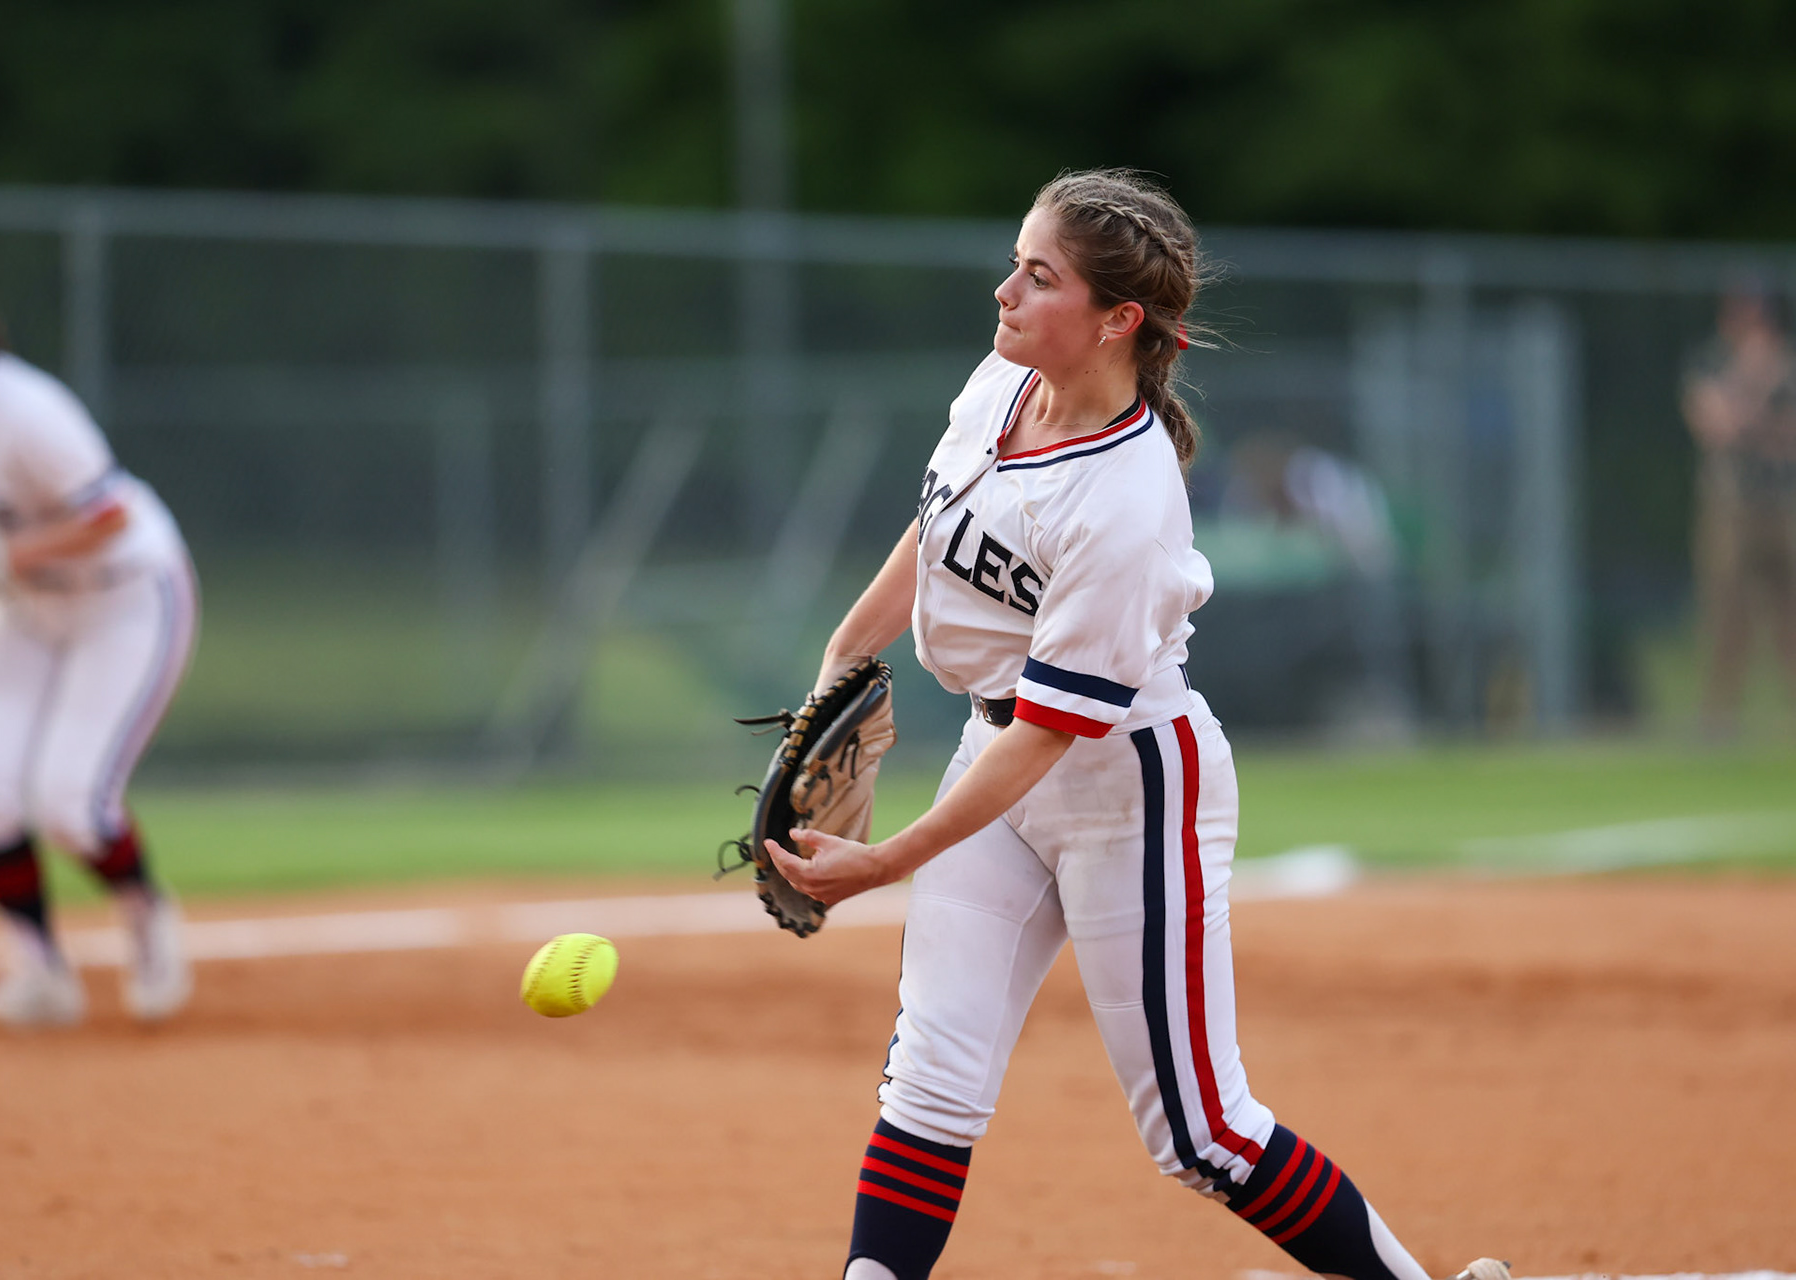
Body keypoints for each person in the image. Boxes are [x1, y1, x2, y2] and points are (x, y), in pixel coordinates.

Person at [761, 171, 1506, 1280]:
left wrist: (890, 857)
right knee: (932, 1075)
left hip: (1129, 787)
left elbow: (1052, 733)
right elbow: (935, 526)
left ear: (1118, 320)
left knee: (1200, 1130)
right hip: (996, 755)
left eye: (1039, 274)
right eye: (1016, 260)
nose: (1006, 288)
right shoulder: (998, 386)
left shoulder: (1126, 497)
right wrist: (842, 652)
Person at [0, 239, 199, 1029]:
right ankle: (40, 974)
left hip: (123, 594)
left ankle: (147, 915)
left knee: (72, 806)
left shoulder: (25, 408)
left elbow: (108, 515)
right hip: (24, 604)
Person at [1681, 279, 1796, 736]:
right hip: (1728, 506)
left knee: (1790, 615)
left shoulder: (1787, 364)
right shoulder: (1711, 361)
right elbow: (1715, 425)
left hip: (1786, 506)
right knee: (1727, 612)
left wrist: (1758, 405)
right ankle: (1718, 720)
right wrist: (1755, 388)